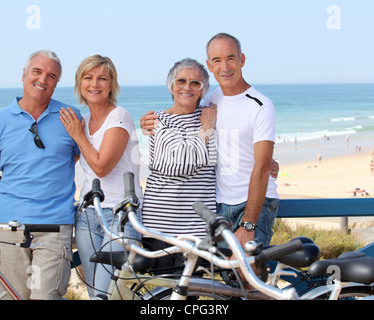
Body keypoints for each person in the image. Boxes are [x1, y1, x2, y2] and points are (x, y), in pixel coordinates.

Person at [141, 34, 280, 248]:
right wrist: (146, 122)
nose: (225, 67)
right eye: (217, 60)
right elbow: (185, 116)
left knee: (246, 275)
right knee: (227, 278)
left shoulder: (261, 104)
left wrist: (249, 224)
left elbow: (261, 167)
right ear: (210, 65)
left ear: (242, 60)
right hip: (219, 207)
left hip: (251, 206)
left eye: (230, 58)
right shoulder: (210, 101)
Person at [0, 50, 81, 300]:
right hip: (10, 227)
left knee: (45, 297)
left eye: (51, 75)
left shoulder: (70, 116)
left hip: (55, 228)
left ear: (56, 83)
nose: (43, 79)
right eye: (37, 71)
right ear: (24, 74)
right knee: (11, 297)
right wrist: (19, 190)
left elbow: (78, 156)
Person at [59, 55, 143, 299]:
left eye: (102, 79)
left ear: (111, 84)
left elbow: (101, 167)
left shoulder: (119, 117)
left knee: (108, 294)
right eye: (88, 78)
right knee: (95, 291)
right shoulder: (82, 122)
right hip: (87, 215)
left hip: (120, 216)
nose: (94, 84)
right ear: (79, 83)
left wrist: (77, 136)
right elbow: (68, 164)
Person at [141, 58, 217, 268]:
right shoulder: (157, 120)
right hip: (161, 229)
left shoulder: (209, 116)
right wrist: (207, 129)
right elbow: (181, 162)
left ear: (203, 90)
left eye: (195, 83)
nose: (187, 87)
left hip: (199, 231)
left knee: (190, 293)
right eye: (181, 80)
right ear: (171, 85)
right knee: (165, 294)